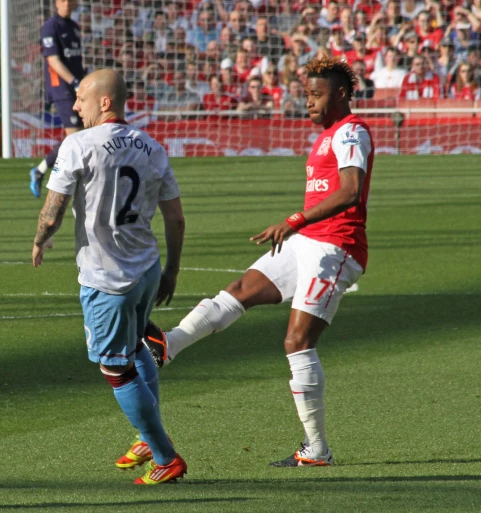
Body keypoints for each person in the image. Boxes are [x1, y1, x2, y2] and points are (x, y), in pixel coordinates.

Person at [144, 57, 375, 468]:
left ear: (340, 94)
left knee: (297, 342)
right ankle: (169, 345)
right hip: (306, 241)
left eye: (317, 95)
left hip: (335, 249)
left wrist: (294, 220)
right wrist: (299, 227)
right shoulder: (325, 136)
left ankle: (317, 450)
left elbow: (351, 191)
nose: (308, 102)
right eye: (306, 95)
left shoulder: (352, 132)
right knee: (238, 291)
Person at [31, 68, 187, 485]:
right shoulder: (152, 147)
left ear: (105, 102)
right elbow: (175, 217)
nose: (74, 105)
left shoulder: (78, 144)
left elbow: (55, 208)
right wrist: (171, 270)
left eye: (80, 97)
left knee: (115, 367)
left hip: (108, 279)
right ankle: (145, 434)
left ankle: (165, 456)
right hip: (147, 269)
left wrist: (39, 239)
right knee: (135, 347)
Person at [28, 0, 85, 198]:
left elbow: (76, 59)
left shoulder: (74, 26)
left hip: (77, 87)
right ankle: (66, 180)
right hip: (62, 89)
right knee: (75, 136)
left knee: (78, 136)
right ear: (56, 3)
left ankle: (40, 170)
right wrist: (74, 81)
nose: (67, 3)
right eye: (63, 0)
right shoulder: (50, 27)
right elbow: (52, 60)